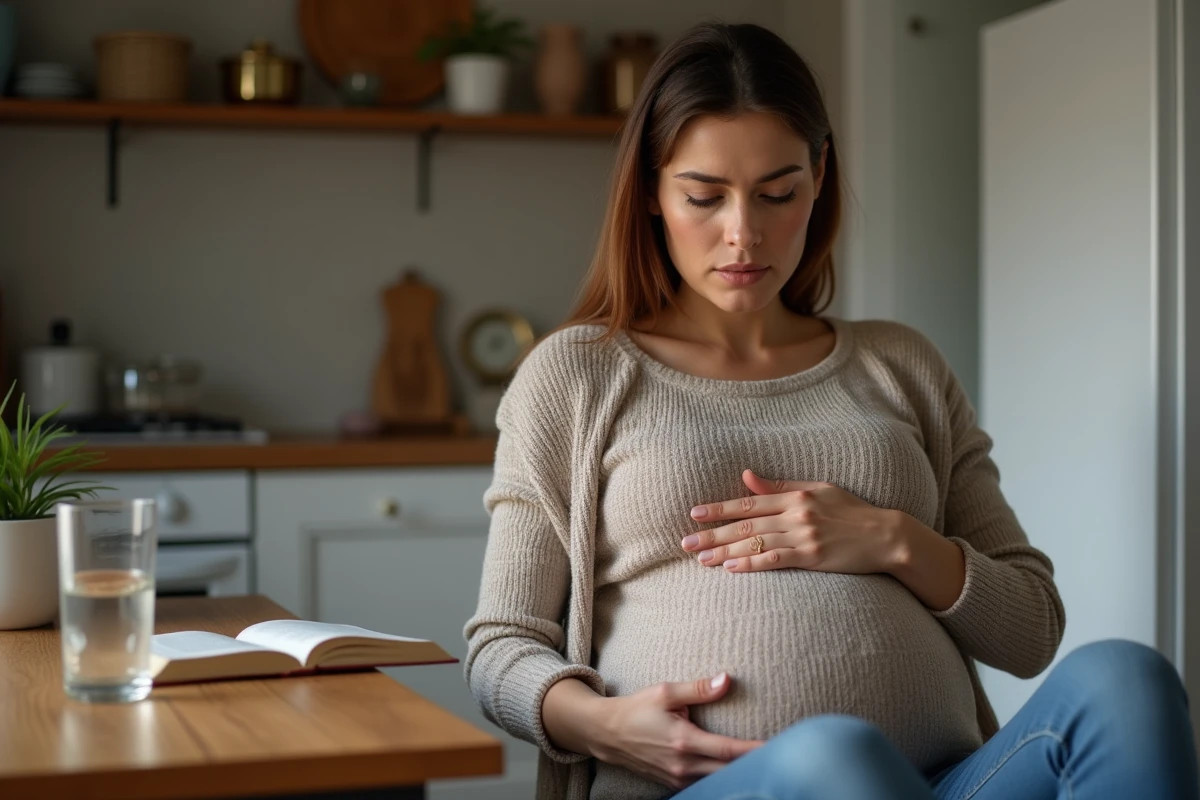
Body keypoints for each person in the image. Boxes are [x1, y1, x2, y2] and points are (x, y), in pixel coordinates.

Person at [463, 20, 1199, 800]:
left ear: (819, 177)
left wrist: (892, 539)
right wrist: (601, 725)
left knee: (1125, 679)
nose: (743, 234)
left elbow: (1030, 630)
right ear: (651, 189)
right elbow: (501, 647)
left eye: (778, 193)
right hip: (712, 789)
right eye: (704, 196)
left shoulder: (900, 364)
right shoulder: (577, 377)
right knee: (839, 760)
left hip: (948, 783)